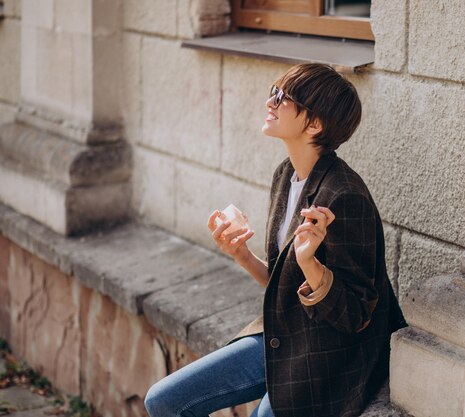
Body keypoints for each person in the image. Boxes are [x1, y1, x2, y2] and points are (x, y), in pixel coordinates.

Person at [144, 63, 407, 417]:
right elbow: (283, 285)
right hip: (281, 335)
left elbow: (356, 314)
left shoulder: (346, 197)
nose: (271, 102)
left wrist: (310, 264)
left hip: (327, 356)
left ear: (315, 124)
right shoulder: (286, 174)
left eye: (284, 97)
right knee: (163, 400)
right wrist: (243, 256)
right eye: (274, 91)